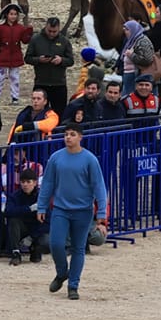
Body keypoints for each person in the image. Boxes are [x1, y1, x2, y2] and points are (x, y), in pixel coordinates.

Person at [37, 125, 108, 300]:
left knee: (78, 248)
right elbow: (47, 184)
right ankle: (62, 272)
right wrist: (41, 206)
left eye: (72, 134)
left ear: (80, 137)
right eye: (66, 134)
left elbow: (99, 186)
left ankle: (73, 286)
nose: (68, 137)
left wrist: (101, 213)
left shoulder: (90, 159)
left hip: (83, 211)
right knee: (56, 244)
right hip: (61, 208)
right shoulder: (56, 158)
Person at [0, 163, 48, 265]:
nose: (25, 185)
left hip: (37, 229)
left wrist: (31, 237)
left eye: (28, 182)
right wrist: (29, 209)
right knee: (13, 221)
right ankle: (16, 253)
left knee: (47, 241)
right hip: (21, 228)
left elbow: (48, 221)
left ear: (35, 183)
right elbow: (8, 211)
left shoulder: (42, 197)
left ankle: (35, 249)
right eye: (22, 182)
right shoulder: (15, 196)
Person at [26, 16, 75, 103]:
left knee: (59, 113)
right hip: (41, 83)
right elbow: (27, 58)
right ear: (46, 27)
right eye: (49, 31)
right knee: (39, 113)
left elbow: (71, 61)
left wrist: (61, 60)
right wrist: (38, 60)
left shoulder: (64, 41)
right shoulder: (35, 39)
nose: (51, 34)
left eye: (54, 32)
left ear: (59, 28)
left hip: (59, 84)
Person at [0, 5, 30, 102]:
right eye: (11, 14)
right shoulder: (0, 28)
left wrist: (29, 32)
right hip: (3, 55)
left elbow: (25, 41)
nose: (13, 16)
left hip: (15, 56)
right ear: (6, 15)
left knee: (15, 78)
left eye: (15, 14)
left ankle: (15, 97)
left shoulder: (20, 28)